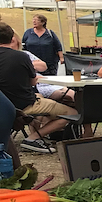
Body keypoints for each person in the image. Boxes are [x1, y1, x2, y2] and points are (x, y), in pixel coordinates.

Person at [0, 22, 69, 153]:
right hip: (23, 104)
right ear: (12, 38)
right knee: (72, 114)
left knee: (41, 97)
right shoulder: (21, 56)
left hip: (4, 106)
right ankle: (33, 138)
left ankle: (37, 134)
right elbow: (32, 82)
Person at [21, 14, 73, 105]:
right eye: (33, 20)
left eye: (36, 20)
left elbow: (58, 46)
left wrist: (61, 58)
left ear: (43, 22)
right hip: (33, 65)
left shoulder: (49, 33)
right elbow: (23, 47)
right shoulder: (28, 33)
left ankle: (55, 101)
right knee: (36, 82)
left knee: (51, 83)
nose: (34, 21)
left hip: (50, 64)